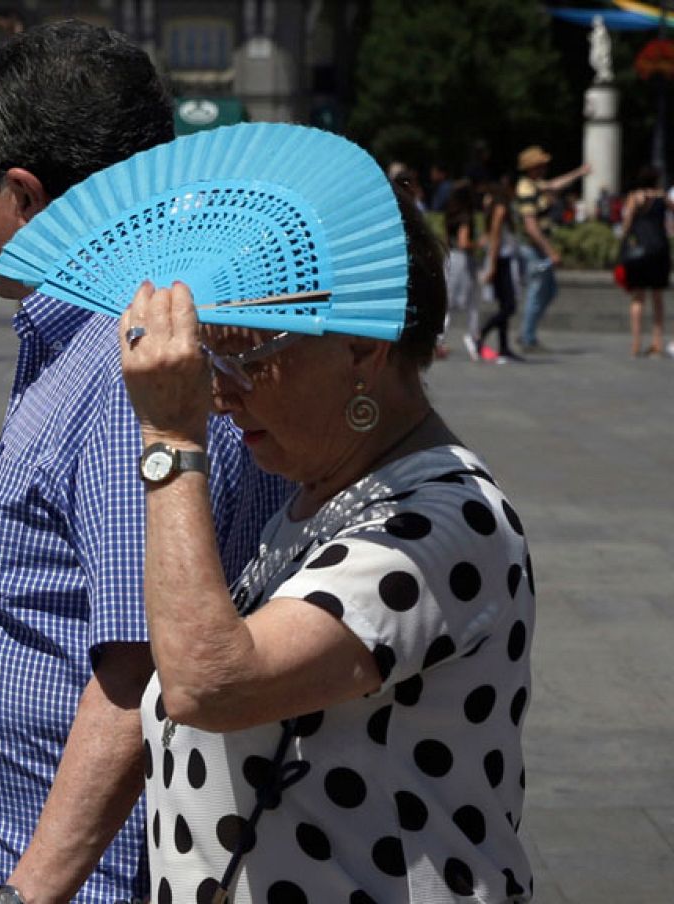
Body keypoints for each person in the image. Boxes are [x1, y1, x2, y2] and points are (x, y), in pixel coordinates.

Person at [0, 22, 289, 904]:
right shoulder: (119, 332)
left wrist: (32, 888)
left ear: (24, 192)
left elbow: (141, 662)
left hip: (64, 873)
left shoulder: (131, 365)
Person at [118, 186, 534, 903]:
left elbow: (209, 682)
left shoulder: (441, 524)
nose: (221, 393)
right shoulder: (323, 500)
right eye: (209, 357)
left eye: (245, 357)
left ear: (361, 349)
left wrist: (170, 443)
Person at [513, 146, 589, 353]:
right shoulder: (526, 188)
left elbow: (555, 185)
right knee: (537, 292)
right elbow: (531, 226)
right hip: (534, 248)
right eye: (541, 164)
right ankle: (527, 338)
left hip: (538, 248)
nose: (545, 167)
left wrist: (579, 173)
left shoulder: (535, 184)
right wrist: (550, 251)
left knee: (548, 291)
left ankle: (527, 333)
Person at [618, 165, 669, 357]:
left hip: (639, 252)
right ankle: (657, 342)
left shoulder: (635, 197)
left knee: (638, 298)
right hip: (660, 249)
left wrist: (623, 239)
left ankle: (636, 343)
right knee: (658, 298)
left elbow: (627, 222)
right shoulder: (662, 197)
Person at [476, 180, 523, 363]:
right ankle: (480, 334)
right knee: (510, 306)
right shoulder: (501, 210)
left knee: (505, 306)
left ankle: (504, 347)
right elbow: (495, 239)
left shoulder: (499, 209)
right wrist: (493, 266)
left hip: (504, 260)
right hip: (501, 261)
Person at [442, 180, 483, 361]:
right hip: (463, 260)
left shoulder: (450, 215)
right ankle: (474, 337)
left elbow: (445, 239)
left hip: (450, 257)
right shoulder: (466, 216)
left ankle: (438, 340)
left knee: (447, 303)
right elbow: (463, 242)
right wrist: (479, 244)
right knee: (472, 301)